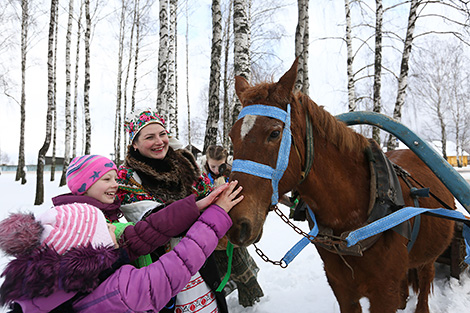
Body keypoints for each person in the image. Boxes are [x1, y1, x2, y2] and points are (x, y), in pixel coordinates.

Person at [0, 155, 244, 313]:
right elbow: (178, 263)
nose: (115, 228)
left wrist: (195, 206)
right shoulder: (116, 288)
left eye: (115, 177)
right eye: (106, 178)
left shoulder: (54, 277)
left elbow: (143, 233)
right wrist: (218, 214)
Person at [116, 109, 228, 313]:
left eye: (163, 134)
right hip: (163, 265)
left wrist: (183, 157)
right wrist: (198, 206)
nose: (159, 141)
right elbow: (155, 221)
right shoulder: (127, 177)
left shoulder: (181, 162)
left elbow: (205, 189)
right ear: (134, 143)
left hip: (201, 255)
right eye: (149, 137)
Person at [202, 145, 264, 307]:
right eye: (212, 166)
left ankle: (249, 300)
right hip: (213, 235)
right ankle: (218, 301)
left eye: (219, 166)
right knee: (217, 272)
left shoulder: (233, 175)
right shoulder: (202, 178)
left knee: (241, 265)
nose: (216, 170)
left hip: (231, 232)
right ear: (206, 161)